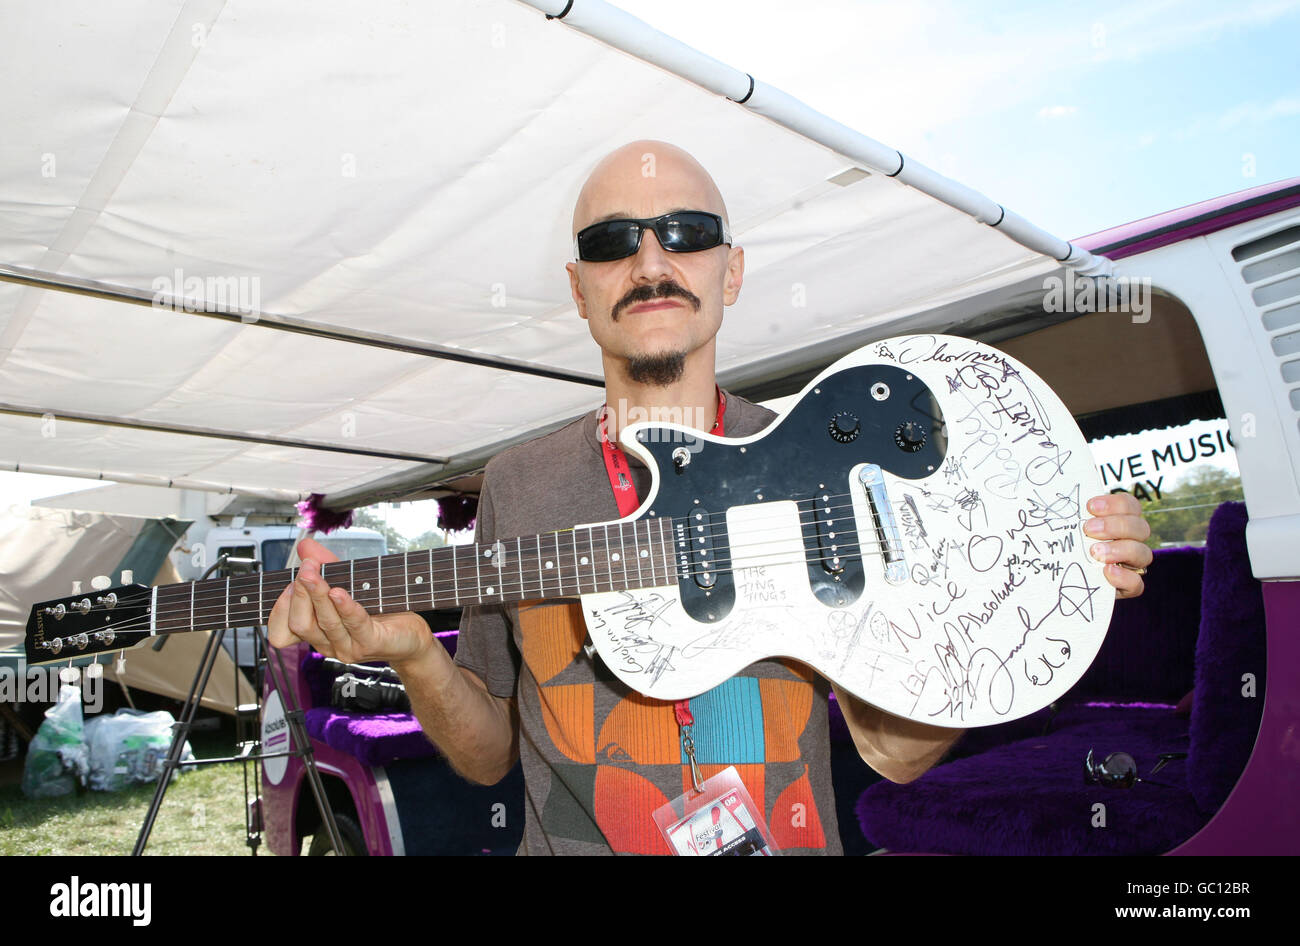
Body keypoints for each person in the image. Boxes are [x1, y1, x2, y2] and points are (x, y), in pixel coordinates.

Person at [268, 140, 1154, 855]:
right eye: (614, 242)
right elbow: (492, 752)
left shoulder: (824, 454)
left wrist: (1040, 589)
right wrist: (417, 654)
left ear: (730, 271)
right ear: (581, 290)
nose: (651, 260)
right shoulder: (519, 483)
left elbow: (893, 754)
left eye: (684, 232)